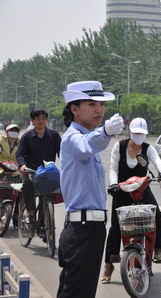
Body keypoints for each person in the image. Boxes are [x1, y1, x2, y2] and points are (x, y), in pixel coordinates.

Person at [57, 81, 124, 298]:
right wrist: (106, 131)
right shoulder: (73, 138)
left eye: (102, 104)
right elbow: (83, 146)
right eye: (91, 104)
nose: (99, 109)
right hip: (83, 231)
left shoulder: (87, 137)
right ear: (74, 109)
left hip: (87, 229)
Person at [101, 117, 161, 284]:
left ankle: (158, 250)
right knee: (116, 226)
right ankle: (109, 265)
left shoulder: (148, 148)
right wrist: (113, 184)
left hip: (141, 188)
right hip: (122, 189)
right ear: (130, 132)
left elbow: (157, 161)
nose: (139, 136)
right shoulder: (120, 146)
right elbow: (113, 167)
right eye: (136, 133)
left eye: (142, 134)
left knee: (156, 214)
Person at [16, 109, 61, 224]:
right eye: (38, 119)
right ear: (32, 121)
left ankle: (45, 223)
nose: (41, 121)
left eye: (43, 118)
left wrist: (67, 165)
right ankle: (30, 213)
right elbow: (20, 153)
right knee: (27, 184)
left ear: (46, 120)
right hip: (31, 170)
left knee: (48, 193)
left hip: (48, 171)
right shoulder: (27, 137)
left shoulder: (54, 135)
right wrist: (22, 165)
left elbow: (62, 152)